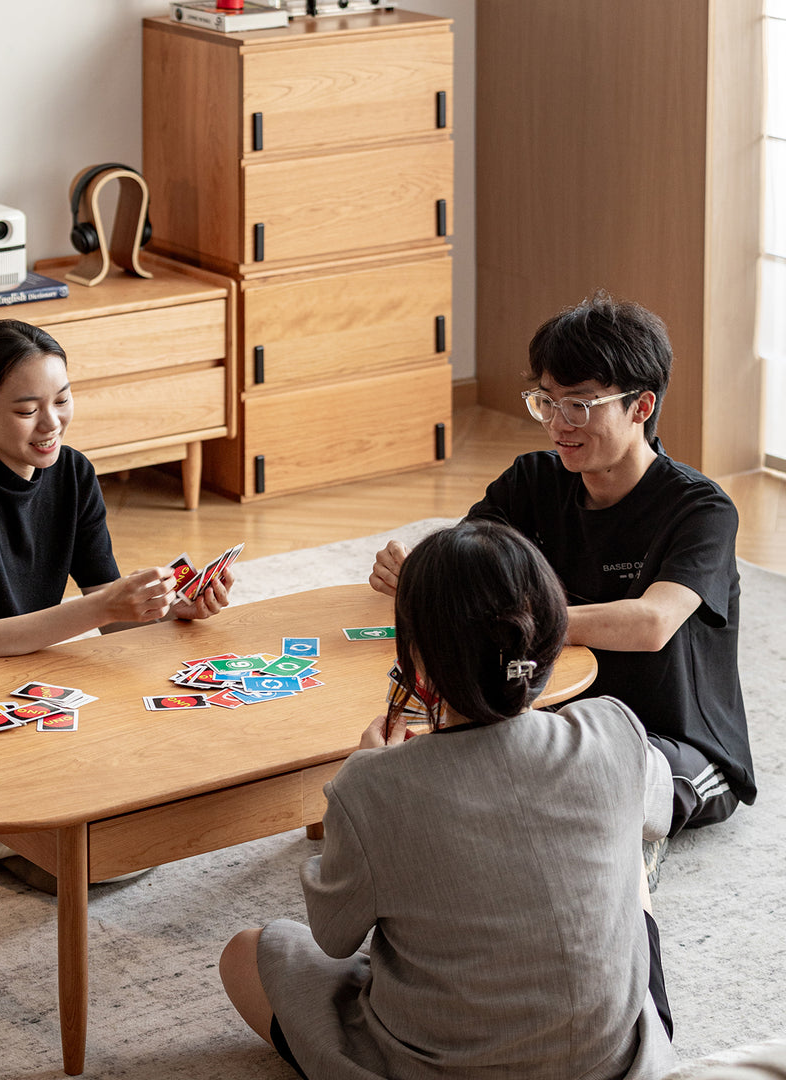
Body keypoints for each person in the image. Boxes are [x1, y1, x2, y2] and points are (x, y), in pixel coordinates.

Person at [221, 520, 677, 1080]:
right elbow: (659, 813)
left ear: (416, 662)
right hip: (615, 1064)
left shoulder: (372, 786)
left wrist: (362, 777)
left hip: (435, 1066)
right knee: (629, 859)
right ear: (551, 635)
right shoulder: (613, 730)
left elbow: (332, 937)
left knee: (248, 952)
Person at [371, 293, 755, 850]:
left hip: (671, 740)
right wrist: (415, 568)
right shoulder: (533, 480)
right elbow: (465, 565)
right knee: (427, 755)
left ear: (641, 407)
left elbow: (651, 623)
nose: (557, 424)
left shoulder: (701, 510)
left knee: (585, 797)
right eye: (546, 402)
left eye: (580, 405)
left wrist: (524, 624)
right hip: (554, 719)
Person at [0, 318, 233, 870]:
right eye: (26, 411)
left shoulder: (73, 474)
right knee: (91, 852)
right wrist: (98, 608)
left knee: (146, 783)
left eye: (62, 400)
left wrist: (170, 610)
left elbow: (113, 619)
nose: (51, 423)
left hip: (23, 690)